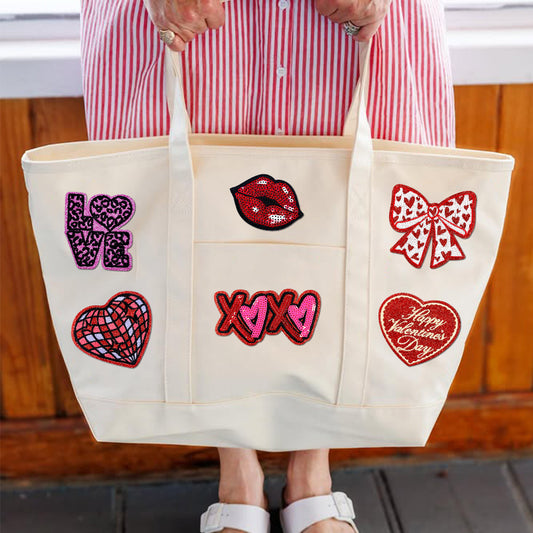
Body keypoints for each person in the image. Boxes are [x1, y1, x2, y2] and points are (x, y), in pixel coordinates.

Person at [80, 0, 455, 531]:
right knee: (194, 220)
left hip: (345, 25)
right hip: (201, 24)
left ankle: (311, 473)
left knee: (340, 216)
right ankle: (236, 473)